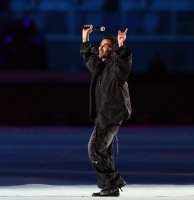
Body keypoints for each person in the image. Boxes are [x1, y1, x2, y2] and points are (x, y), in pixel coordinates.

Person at [80, 25, 132, 197]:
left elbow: (123, 61)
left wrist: (121, 45)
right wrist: (85, 37)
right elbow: (88, 56)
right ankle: (112, 186)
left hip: (111, 115)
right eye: (100, 45)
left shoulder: (116, 68)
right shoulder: (100, 67)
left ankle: (112, 183)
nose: (101, 47)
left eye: (106, 46)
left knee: (95, 149)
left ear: (113, 50)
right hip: (104, 115)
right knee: (103, 151)